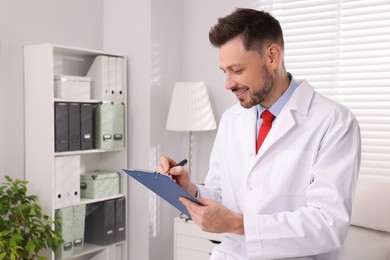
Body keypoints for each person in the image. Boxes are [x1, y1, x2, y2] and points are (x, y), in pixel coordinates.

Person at [157, 8, 361, 260]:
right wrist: (191, 189)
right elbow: (222, 196)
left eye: (237, 70)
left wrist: (237, 224)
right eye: (224, 71)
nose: (228, 84)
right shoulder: (232, 120)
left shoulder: (334, 122)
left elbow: (328, 224)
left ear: (272, 56)